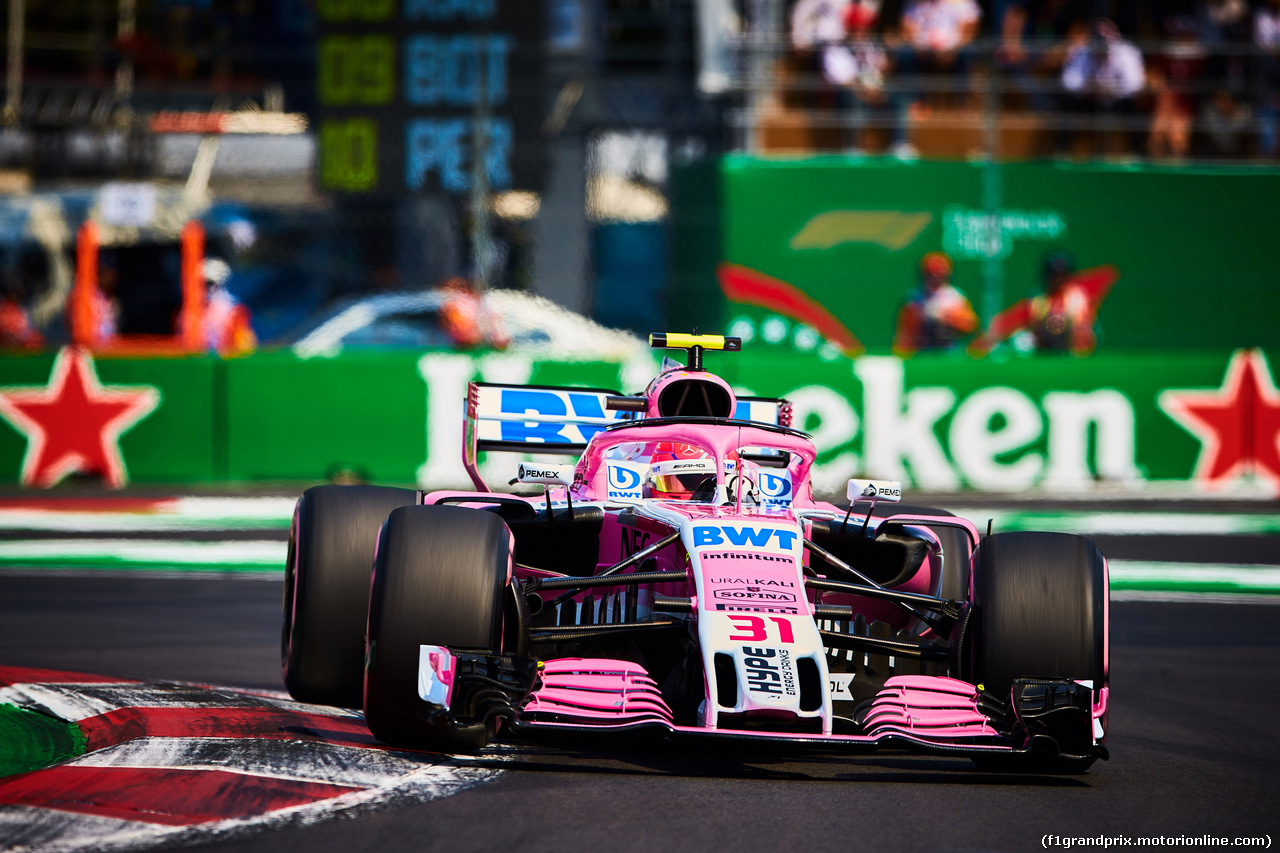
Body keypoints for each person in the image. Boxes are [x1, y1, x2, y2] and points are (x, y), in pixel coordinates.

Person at [969, 250, 1118, 356]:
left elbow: (1082, 331)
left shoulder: (1077, 298)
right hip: (1044, 349)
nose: (1057, 279)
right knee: (1022, 341)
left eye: (1061, 275)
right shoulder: (1039, 300)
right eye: (1054, 275)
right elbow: (1008, 323)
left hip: (1072, 350)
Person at [892, 251, 978, 356]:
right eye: (932, 273)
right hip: (922, 351)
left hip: (950, 351)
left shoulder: (954, 296)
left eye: (939, 273)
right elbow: (905, 336)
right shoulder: (915, 298)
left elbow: (970, 325)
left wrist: (951, 318)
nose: (936, 277)